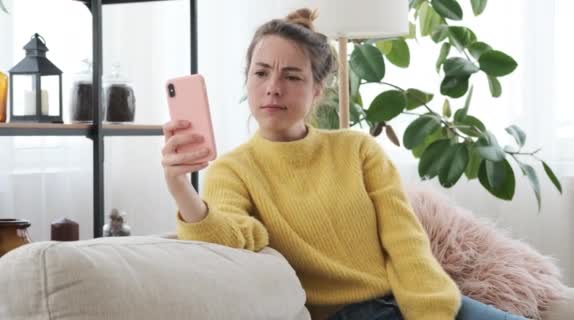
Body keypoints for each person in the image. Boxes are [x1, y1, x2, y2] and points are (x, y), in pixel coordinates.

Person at [161, 8, 530, 320]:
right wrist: (180, 187)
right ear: (247, 80)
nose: (273, 87)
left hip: (414, 301)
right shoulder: (233, 169)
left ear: (318, 90)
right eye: (261, 73)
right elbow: (237, 236)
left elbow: (405, 239)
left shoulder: (357, 149)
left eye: (292, 76)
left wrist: (432, 312)